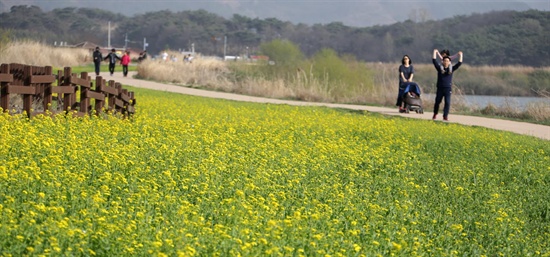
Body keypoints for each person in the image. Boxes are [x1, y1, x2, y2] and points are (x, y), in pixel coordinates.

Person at [432, 49, 463, 121]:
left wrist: (460, 55)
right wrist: (435, 52)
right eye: (444, 61)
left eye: (447, 61)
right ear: (442, 61)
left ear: (449, 62)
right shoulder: (440, 68)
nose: (446, 62)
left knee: (447, 102)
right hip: (440, 88)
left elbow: (459, 63)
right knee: (437, 102)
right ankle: (435, 113)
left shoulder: (451, 69)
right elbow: (434, 61)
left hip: (447, 88)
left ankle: (445, 116)